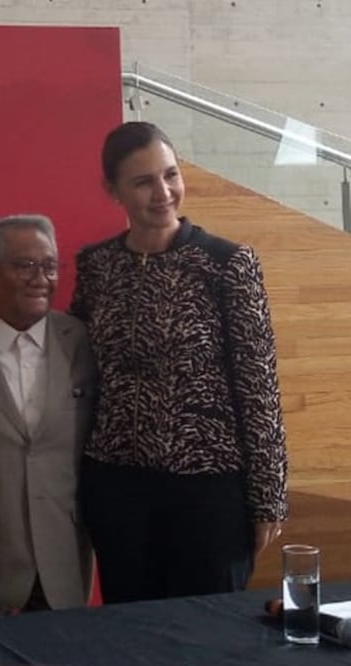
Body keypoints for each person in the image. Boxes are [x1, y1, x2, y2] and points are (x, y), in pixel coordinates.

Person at [69, 120, 288, 603]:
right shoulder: (96, 266)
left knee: (204, 635)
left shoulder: (227, 264)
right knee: (132, 633)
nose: (163, 191)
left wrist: (269, 497)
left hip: (208, 491)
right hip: (117, 488)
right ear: (113, 191)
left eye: (170, 174)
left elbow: (259, 389)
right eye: (144, 181)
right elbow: (71, 354)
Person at [0, 214, 95, 612]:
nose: (40, 278)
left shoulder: (80, 341)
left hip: (63, 564)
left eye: (49, 266)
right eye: (24, 265)